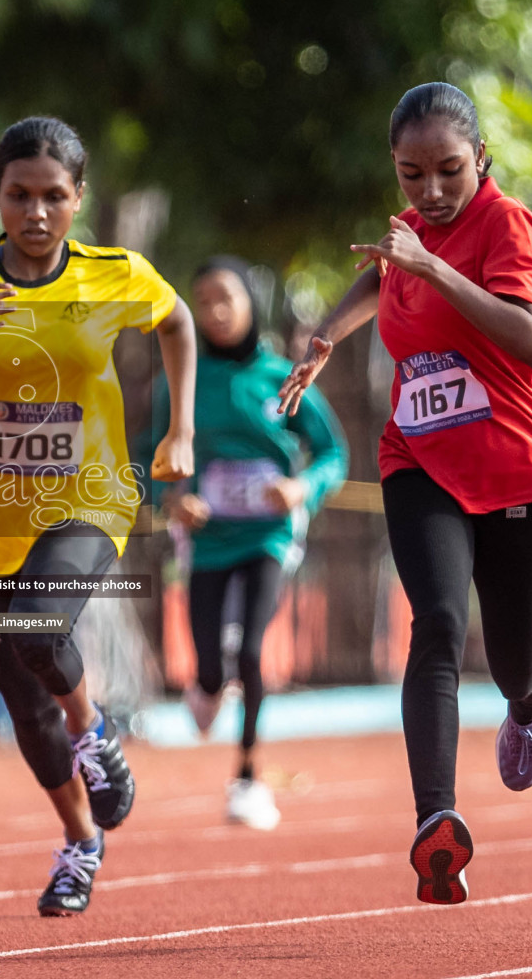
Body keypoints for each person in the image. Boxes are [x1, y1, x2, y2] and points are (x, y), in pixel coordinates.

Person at [279, 83, 532, 905]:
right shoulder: (407, 237)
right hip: (420, 461)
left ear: (480, 159)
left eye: (446, 171)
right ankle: (437, 825)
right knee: (436, 622)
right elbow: (378, 283)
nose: (430, 192)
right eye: (411, 176)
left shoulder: (505, 226)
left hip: (515, 473)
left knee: (513, 661)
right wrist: (325, 338)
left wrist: (433, 266)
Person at [0, 117, 196, 916]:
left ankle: (94, 729)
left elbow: (176, 321)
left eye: (54, 197)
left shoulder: (116, 273)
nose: (36, 213)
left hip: (90, 499)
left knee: (41, 627)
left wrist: (182, 428)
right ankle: (80, 842)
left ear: (79, 199)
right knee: (26, 710)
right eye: (18, 195)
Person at [160, 257, 347, 830]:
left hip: (269, 535)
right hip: (207, 539)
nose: (215, 311)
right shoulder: (184, 383)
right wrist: (171, 499)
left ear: (250, 302)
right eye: (204, 300)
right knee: (211, 665)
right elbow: (149, 455)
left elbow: (334, 454)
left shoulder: (281, 377)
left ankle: (247, 779)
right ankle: (208, 686)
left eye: (227, 297)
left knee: (251, 651)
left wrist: (300, 487)